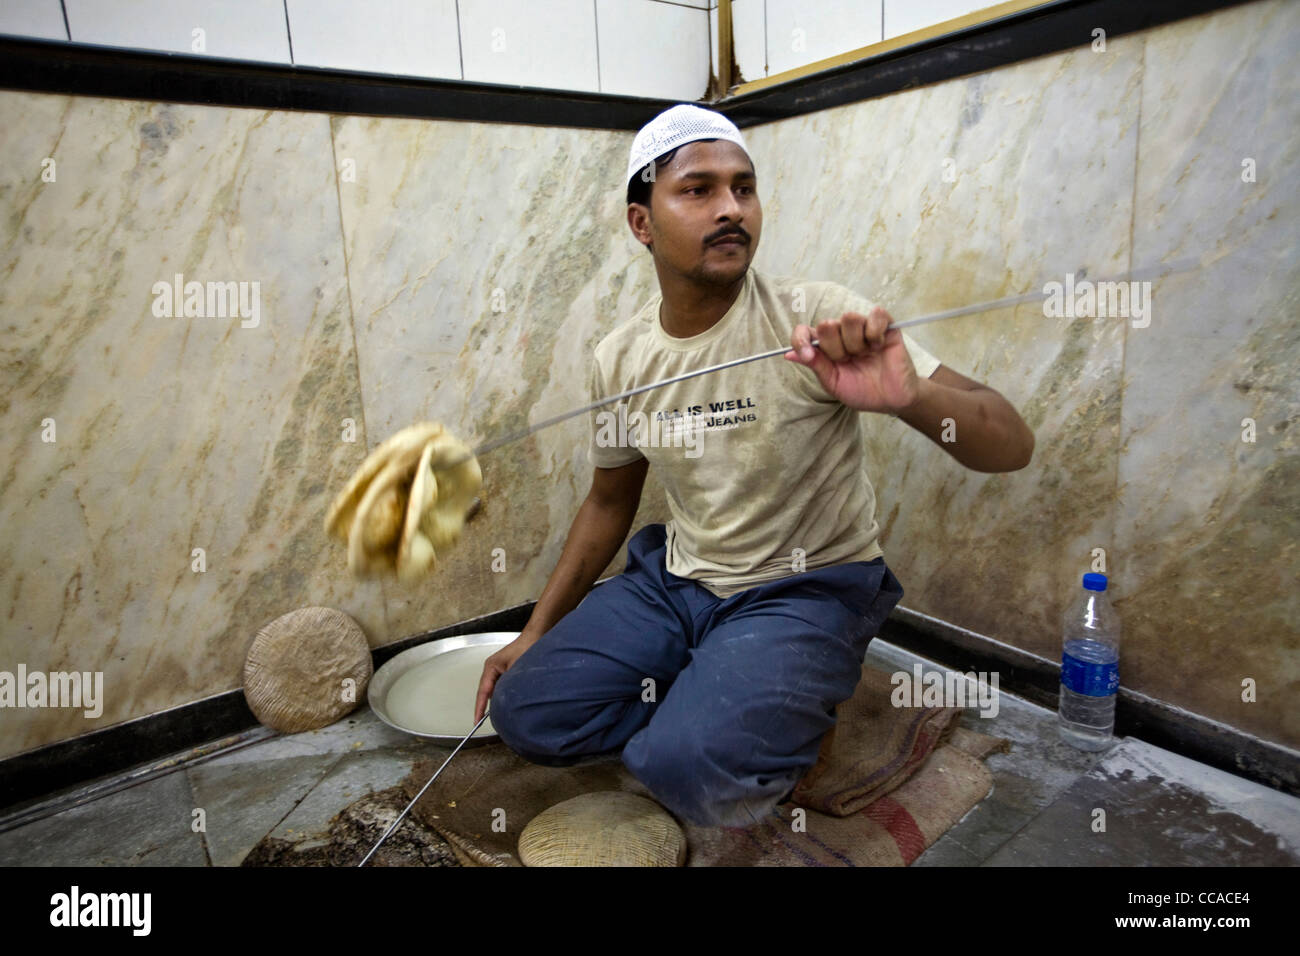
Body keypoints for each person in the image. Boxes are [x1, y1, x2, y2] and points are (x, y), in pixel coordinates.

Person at [474, 104, 1034, 827]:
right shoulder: (621, 356)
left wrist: (909, 396)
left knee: (690, 774)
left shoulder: (813, 319)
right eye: (698, 189)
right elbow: (609, 503)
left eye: (744, 187)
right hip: (676, 584)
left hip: (806, 586)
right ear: (641, 223)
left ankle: (751, 713)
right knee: (526, 714)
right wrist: (535, 631)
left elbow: (1011, 444)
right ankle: (724, 701)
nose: (731, 208)